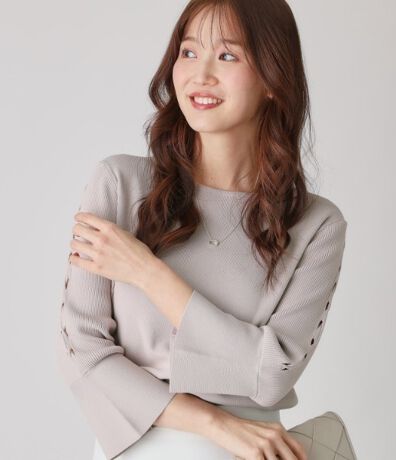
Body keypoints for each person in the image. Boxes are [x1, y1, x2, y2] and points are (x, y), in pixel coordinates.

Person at [56, 1, 348, 459]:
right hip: (141, 448)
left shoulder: (316, 225)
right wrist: (215, 422)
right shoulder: (119, 184)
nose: (200, 74)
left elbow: (273, 375)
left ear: (274, 79)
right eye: (189, 52)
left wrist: (148, 272)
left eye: (227, 55)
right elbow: (82, 350)